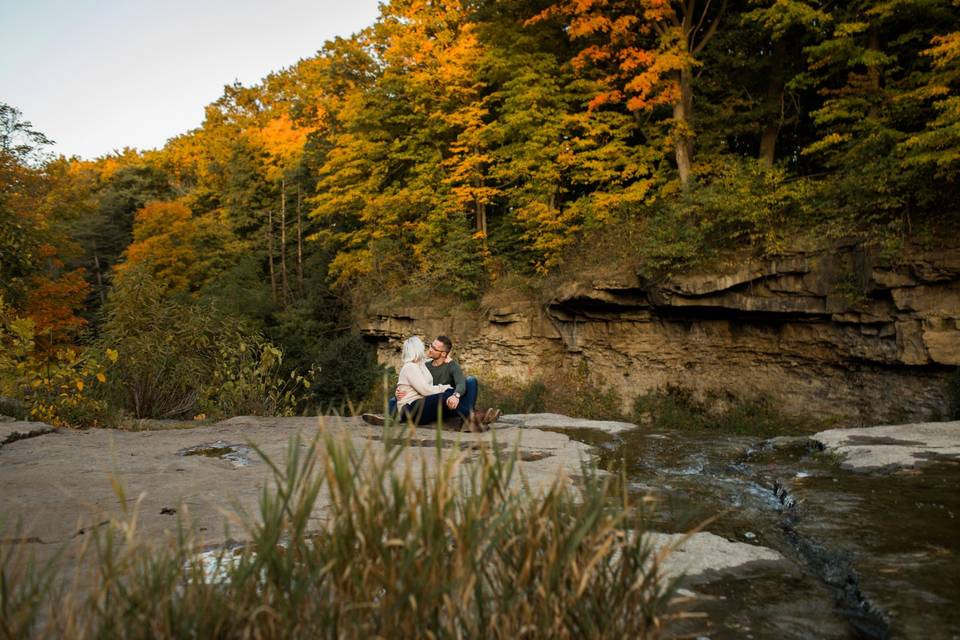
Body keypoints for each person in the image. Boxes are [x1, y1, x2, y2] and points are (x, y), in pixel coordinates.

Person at [362, 334, 500, 431]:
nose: (429, 349)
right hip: (422, 403)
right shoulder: (419, 365)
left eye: (434, 348)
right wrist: (398, 391)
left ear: (444, 354)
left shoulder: (443, 365)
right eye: (428, 346)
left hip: (438, 403)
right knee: (394, 400)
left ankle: (470, 416)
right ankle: (474, 417)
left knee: (466, 383)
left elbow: (460, 385)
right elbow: (416, 387)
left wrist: (454, 393)